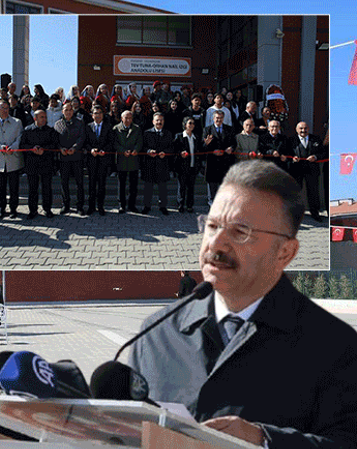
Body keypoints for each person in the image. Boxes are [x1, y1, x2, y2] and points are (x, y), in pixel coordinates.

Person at [129, 160, 357, 448]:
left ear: (285, 251)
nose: (215, 244)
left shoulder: (334, 346)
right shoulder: (155, 335)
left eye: (240, 232)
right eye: (211, 226)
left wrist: (265, 441)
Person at [0, 99, 24, 219]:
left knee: (13, 187)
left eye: (7, 108)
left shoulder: (17, 122)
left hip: (13, 159)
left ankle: (13, 209)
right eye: (2, 108)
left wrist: (13, 147)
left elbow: (20, 137)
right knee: (0, 188)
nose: (5, 110)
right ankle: (1, 209)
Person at [20, 109, 59, 218]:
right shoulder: (27, 130)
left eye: (45, 117)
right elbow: (22, 145)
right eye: (42, 117)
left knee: (47, 188)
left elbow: (54, 145)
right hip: (32, 164)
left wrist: (44, 149)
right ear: (35, 118)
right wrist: (32, 149)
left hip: (46, 163)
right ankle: (33, 210)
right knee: (33, 188)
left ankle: (47, 209)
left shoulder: (50, 131)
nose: (44, 119)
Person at [288, 121, 325, 222]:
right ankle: (294, 214)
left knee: (313, 192)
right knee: (295, 192)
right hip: (297, 170)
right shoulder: (291, 140)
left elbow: (323, 153)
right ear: (296, 130)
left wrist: (316, 157)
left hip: (312, 170)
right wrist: (292, 158)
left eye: (305, 128)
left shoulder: (315, 139)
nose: (303, 131)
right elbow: (287, 153)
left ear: (308, 129)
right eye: (301, 129)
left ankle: (315, 213)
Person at [55, 100, 87, 215]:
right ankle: (66, 205)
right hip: (63, 158)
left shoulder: (79, 123)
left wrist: (75, 147)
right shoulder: (57, 124)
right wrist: (60, 148)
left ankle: (80, 206)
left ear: (73, 111)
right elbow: (56, 140)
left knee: (79, 183)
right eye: (66, 110)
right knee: (64, 183)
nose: (68, 112)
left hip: (77, 157)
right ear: (62, 111)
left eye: (70, 109)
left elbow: (81, 137)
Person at [141, 113, 173, 215]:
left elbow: (171, 148)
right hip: (149, 164)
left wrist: (166, 153)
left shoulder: (168, 133)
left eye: (161, 120)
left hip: (162, 164)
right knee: (148, 188)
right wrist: (148, 151)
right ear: (153, 121)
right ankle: (147, 206)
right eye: (157, 120)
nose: (159, 122)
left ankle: (163, 206)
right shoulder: (146, 133)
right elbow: (142, 147)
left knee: (163, 188)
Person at [202, 110, 236, 206]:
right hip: (212, 161)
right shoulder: (207, 130)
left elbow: (234, 143)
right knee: (212, 184)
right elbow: (202, 147)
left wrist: (231, 148)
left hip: (225, 161)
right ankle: (211, 202)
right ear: (213, 118)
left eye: (220, 118)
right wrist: (206, 144)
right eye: (217, 118)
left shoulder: (229, 129)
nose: (218, 120)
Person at [112, 110, 143, 214]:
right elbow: (114, 143)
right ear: (122, 118)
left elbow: (140, 142)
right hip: (122, 159)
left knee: (133, 184)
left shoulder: (137, 128)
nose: (128, 120)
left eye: (130, 118)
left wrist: (136, 150)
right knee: (121, 184)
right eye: (126, 118)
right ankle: (121, 205)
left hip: (133, 160)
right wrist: (122, 151)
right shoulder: (116, 128)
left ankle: (132, 205)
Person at [84, 105, 112, 215]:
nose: (98, 115)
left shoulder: (108, 126)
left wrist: (104, 150)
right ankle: (91, 207)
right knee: (91, 184)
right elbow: (85, 142)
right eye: (95, 113)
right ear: (92, 115)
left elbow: (111, 142)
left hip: (103, 160)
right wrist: (91, 149)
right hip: (91, 159)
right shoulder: (88, 127)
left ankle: (100, 206)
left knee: (101, 184)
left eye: (100, 113)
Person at [173, 116, 201, 213]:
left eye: (193, 123)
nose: (191, 125)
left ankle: (190, 205)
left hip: (193, 165)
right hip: (182, 166)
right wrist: (180, 153)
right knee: (182, 187)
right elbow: (174, 149)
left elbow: (199, 150)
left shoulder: (196, 137)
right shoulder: (179, 136)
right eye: (189, 123)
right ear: (185, 125)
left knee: (191, 187)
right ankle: (180, 204)